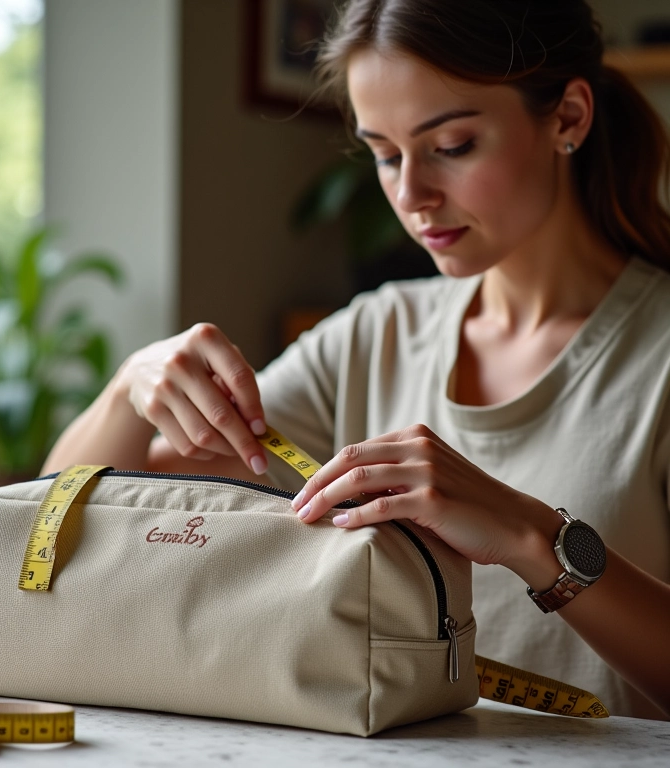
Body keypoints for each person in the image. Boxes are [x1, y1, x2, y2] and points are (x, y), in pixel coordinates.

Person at [42, 0, 670, 720]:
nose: (412, 196)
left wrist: (531, 537)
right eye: (384, 153)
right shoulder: (373, 334)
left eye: (454, 145)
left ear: (568, 117)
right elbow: (66, 517)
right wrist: (128, 388)